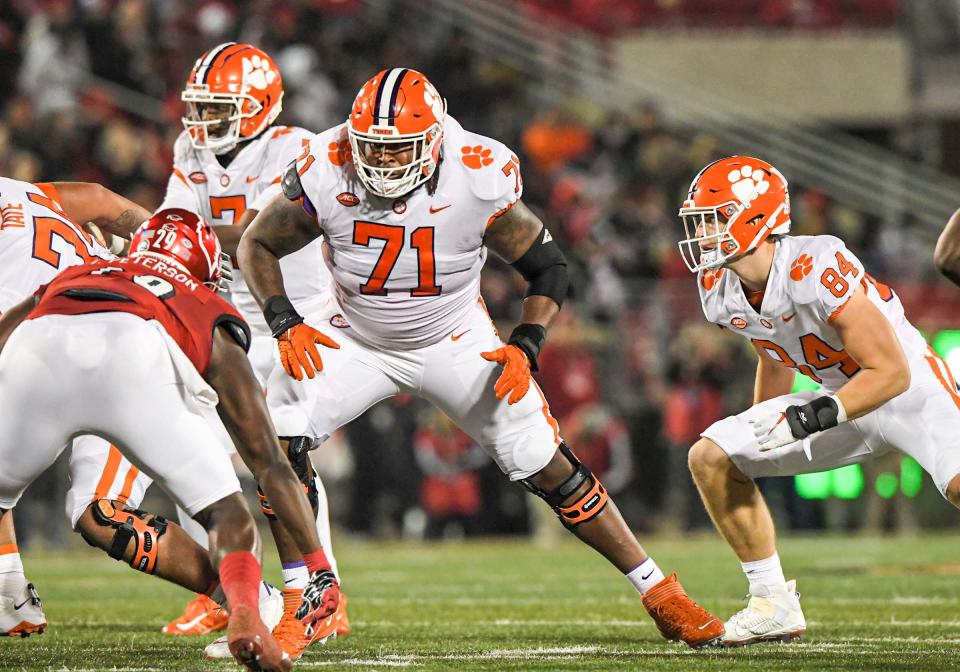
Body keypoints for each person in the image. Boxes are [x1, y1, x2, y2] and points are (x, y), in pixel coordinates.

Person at [238, 67, 724, 648]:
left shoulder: (477, 173)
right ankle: (308, 595)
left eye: (398, 151)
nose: (384, 164)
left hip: (453, 336)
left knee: (546, 461)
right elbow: (257, 242)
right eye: (373, 149)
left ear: (435, 141)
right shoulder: (326, 162)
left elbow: (549, 267)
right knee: (276, 435)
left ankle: (658, 590)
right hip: (352, 333)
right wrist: (285, 321)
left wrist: (526, 343)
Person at [0, 209, 342, 670]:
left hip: (38, 350)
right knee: (226, 513)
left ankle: (7, 590)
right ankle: (245, 611)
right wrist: (319, 566)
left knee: (46, 504)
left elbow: (10, 329)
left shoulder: (85, 268)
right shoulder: (201, 299)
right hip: (137, 361)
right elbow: (268, 462)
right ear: (201, 267)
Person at [678, 156, 960, 645]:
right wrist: (760, 434)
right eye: (700, 221)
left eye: (714, 218)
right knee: (711, 457)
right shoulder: (718, 288)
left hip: (910, 388)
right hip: (835, 399)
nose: (702, 234)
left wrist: (811, 417)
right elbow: (774, 352)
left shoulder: (815, 264)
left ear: (754, 217)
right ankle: (772, 602)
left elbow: (891, 371)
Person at [155, 42, 346, 655]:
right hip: (223, 317)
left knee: (284, 452)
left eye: (219, 109)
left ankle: (322, 591)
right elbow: (173, 226)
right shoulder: (192, 148)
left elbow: (257, 237)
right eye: (200, 108)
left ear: (260, 106)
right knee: (185, 447)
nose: (204, 123)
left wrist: (198, 236)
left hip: (293, 316)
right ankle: (229, 589)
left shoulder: (298, 148)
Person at [0, 177, 149, 637]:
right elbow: (101, 199)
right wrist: (163, 247)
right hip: (118, 339)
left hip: (120, 360)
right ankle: (9, 598)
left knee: (100, 512)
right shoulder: (21, 194)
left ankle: (254, 598)